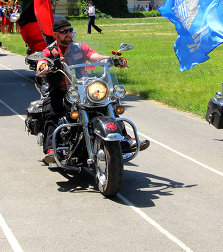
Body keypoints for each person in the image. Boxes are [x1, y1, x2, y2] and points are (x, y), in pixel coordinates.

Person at [36, 17, 148, 163]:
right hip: (62, 89)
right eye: (64, 32)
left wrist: (112, 60)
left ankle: (124, 139)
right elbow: (41, 63)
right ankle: (52, 149)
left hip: (82, 87)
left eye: (70, 30)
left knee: (108, 104)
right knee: (51, 109)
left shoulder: (79, 47)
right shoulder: (50, 51)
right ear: (55, 34)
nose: (68, 34)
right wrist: (44, 67)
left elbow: (96, 57)